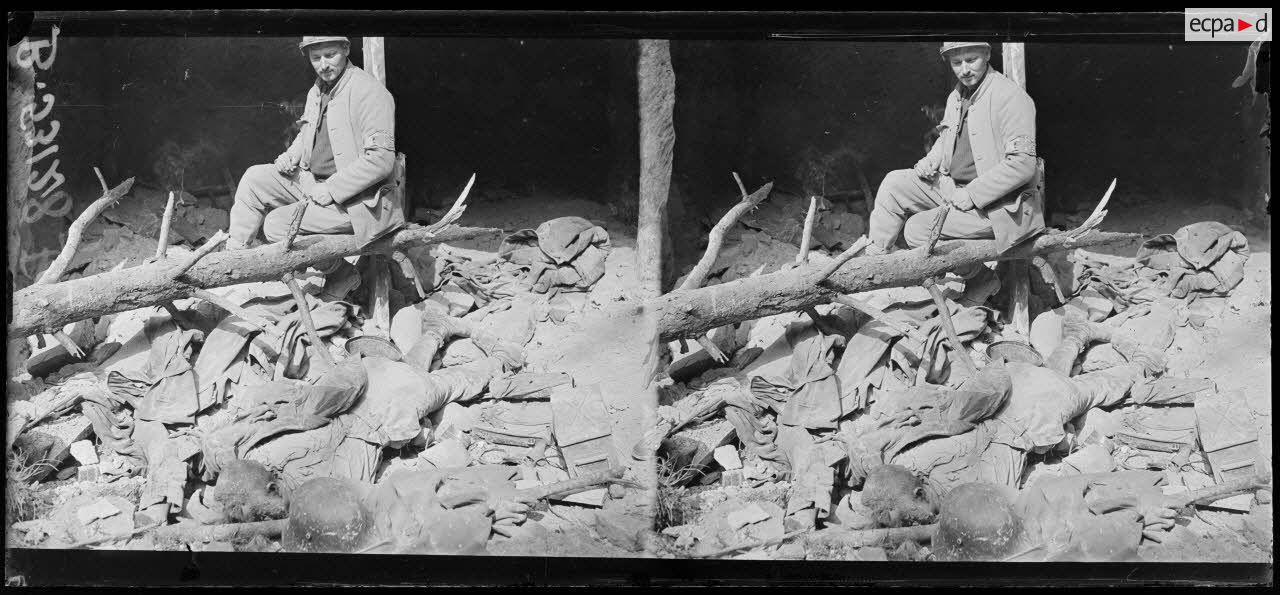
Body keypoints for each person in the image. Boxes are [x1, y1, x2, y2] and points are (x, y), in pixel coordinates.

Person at [226, 36, 404, 299]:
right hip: (314, 184)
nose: (323, 65)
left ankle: (340, 272)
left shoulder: (371, 93)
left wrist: (332, 189)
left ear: (346, 49)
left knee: (276, 225)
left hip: (360, 201)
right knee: (254, 178)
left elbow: (381, 159)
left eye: (330, 55)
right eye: (315, 58)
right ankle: (233, 261)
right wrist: (291, 155)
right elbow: (309, 132)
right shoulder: (318, 89)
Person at [864, 41, 1044, 279]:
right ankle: (874, 264)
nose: (964, 69)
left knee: (917, 230)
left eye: (971, 60)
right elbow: (947, 136)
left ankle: (982, 280)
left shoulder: (1011, 98)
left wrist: (972, 194)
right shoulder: (957, 96)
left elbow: (1022, 164)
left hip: (1001, 207)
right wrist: (932, 159)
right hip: (954, 189)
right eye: (957, 63)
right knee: (894, 183)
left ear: (988, 54)